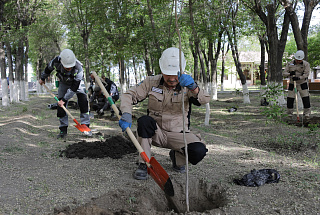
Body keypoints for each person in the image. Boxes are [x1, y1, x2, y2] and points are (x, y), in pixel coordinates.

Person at [119, 47, 210, 180]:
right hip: (156, 133)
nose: (172, 78)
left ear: (182, 70)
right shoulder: (151, 82)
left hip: (179, 135)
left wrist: (194, 88)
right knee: (144, 121)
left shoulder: (188, 84)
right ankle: (143, 163)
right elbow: (129, 95)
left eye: (175, 74)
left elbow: (204, 99)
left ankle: (177, 158)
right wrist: (126, 113)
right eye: (168, 74)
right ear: (162, 70)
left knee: (198, 151)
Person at [38, 49, 91, 138]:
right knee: (60, 106)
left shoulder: (79, 67)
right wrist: (42, 78)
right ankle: (63, 129)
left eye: (70, 67)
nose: (69, 69)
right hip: (63, 82)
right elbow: (47, 69)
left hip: (76, 83)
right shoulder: (55, 62)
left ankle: (86, 126)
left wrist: (64, 99)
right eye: (67, 67)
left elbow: (74, 87)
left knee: (83, 101)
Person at [283, 50, 311, 119]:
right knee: (290, 99)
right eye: (297, 60)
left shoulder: (306, 64)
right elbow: (284, 73)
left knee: (306, 99)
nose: (298, 61)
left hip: (302, 83)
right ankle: (289, 114)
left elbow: (306, 74)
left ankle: (307, 114)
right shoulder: (290, 64)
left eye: (300, 60)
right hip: (292, 84)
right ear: (295, 58)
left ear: (302, 59)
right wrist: (290, 74)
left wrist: (299, 78)